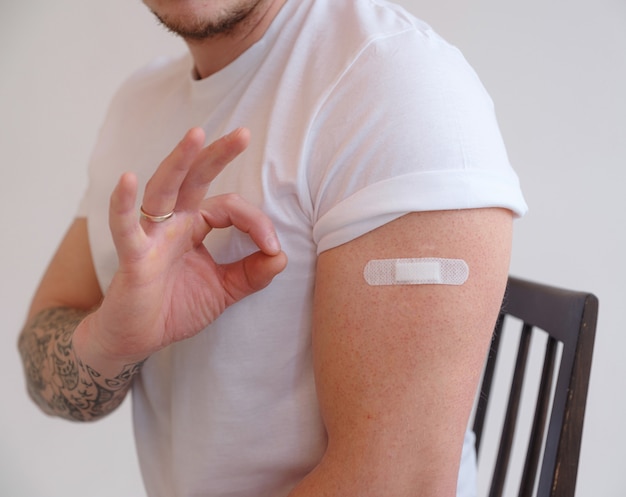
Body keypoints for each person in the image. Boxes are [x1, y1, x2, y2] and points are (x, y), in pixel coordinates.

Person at [18, 0, 527, 496]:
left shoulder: (398, 84)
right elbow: (42, 367)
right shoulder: (137, 103)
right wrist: (112, 340)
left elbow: (403, 486)